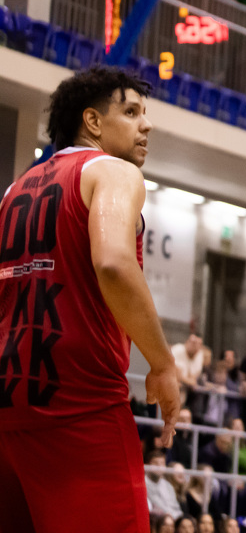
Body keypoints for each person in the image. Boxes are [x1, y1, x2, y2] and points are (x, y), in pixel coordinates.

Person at [0, 66, 182, 530]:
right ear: (93, 122)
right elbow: (114, 263)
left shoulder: (12, 192)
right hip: (81, 409)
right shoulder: (113, 172)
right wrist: (162, 364)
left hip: (8, 414)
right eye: (131, 112)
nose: (146, 124)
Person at [147, 449, 185, 519]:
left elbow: (176, 507)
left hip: (174, 519)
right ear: (148, 465)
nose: (159, 467)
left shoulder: (168, 485)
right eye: (155, 463)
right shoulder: (143, 485)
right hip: (156, 520)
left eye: (162, 463)